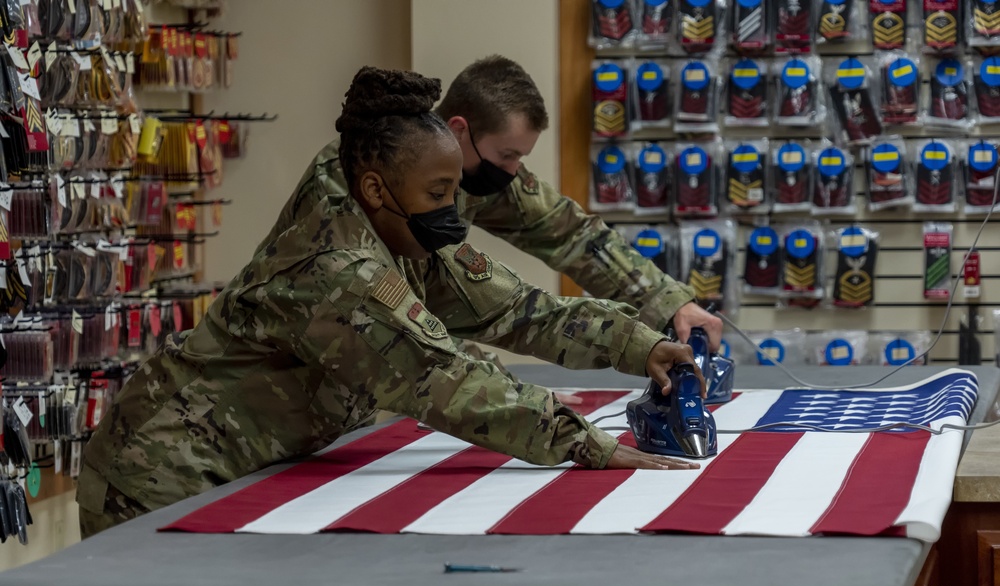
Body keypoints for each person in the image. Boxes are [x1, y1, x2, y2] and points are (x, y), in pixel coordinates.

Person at [76, 66, 704, 538]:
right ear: (377, 188)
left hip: (253, 459)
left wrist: (637, 342)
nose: (452, 214)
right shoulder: (337, 269)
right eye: (439, 194)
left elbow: (510, 308)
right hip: (163, 473)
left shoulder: (398, 215)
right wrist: (583, 441)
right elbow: (436, 375)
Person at [262, 55, 724, 358]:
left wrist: (668, 303)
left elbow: (572, 234)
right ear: (459, 129)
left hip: (348, 400)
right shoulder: (358, 174)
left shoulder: (480, 172)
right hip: (280, 385)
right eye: (508, 155)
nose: (514, 170)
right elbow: (384, 307)